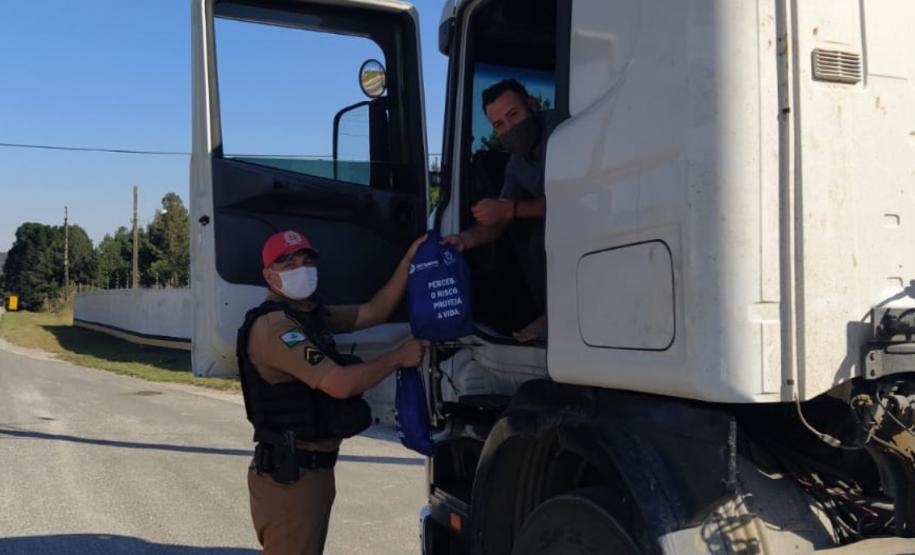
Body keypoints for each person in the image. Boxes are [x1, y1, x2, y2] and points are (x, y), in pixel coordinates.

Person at [237, 230, 427, 555]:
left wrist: (409, 260)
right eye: (288, 263)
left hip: (311, 472)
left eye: (306, 260)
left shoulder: (310, 316)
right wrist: (398, 357)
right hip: (292, 478)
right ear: (269, 276)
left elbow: (374, 312)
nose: (301, 268)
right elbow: (339, 384)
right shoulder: (276, 328)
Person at [441, 79, 562, 343]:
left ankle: (557, 316)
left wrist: (511, 209)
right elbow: (500, 220)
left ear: (531, 104)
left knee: (538, 236)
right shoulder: (516, 165)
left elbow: (574, 200)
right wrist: (465, 239)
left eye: (513, 115)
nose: (510, 128)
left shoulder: (562, 132)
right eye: (499, 125)